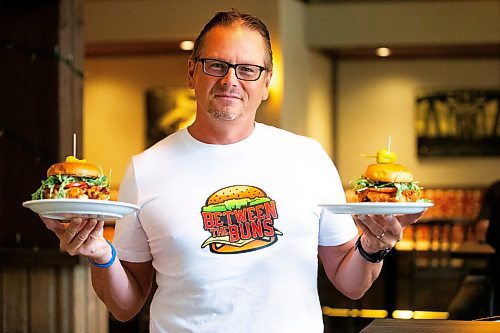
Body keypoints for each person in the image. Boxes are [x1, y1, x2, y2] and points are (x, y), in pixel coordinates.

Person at [41, 9, 423, 333]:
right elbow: (125, 306)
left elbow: (351, 284)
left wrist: (374, 246)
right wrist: (99, 254)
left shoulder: (308, 158)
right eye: (216, 65)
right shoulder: (147, 168)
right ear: (192, 72)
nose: (230, 80)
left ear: (267, 82)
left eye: (248, 69)